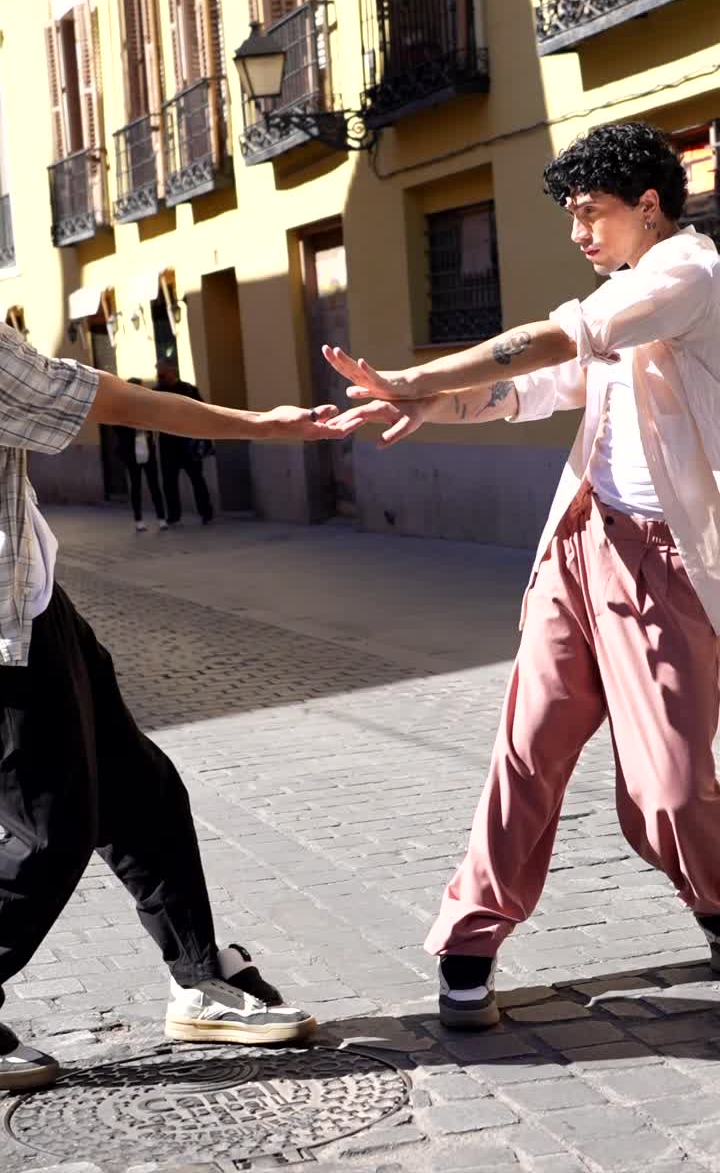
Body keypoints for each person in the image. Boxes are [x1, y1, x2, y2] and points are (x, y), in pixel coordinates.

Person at [325, 122, 720, 1029]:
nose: (579, 233)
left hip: (667, 567)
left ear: (649, 206)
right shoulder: (626, 289)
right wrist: (428, 403)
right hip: (580, 545)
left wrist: (412, 375)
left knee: (663, 792)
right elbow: (532, 391)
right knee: (528, 750)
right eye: (572, 216)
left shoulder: (687, 276)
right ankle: (469, 939)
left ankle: (715, 900)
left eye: (593, 214)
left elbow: (553, 342)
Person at [0, 341, 351, 1091]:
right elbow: (116, 401)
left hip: (33, 596)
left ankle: (197, 979)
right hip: (4, 631)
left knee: (141, 792)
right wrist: (262, 426)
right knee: (49, 835)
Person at [155, 361, 214, 526]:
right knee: (169, 483)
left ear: (173, 371)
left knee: (197, 480)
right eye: (158, 372)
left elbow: (202, 412)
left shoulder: (188, 390)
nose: (159, 375)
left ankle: (206, 513)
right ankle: (174, 516)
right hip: (167, 444)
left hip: (188, 443)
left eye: (162, 372)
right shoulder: (156, 392)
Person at [113, 379, 167, 532]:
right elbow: (116, 427)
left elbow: (155, 421)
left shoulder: (146, 406)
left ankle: (161, 518)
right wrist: (133, 428)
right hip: (131, 450)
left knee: (154, 485)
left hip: (147, 448)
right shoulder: (122, 407)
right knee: (135, 486)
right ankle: (138, 520)